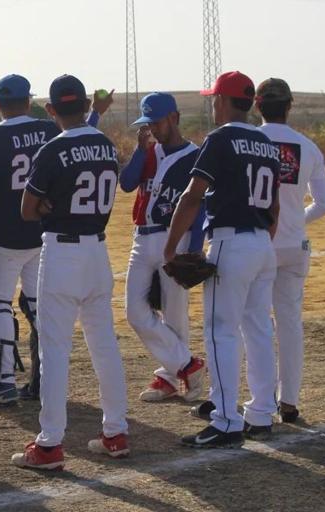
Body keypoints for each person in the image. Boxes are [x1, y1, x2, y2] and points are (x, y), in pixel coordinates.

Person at [0, 74, 113, 407]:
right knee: (37, 307)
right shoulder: (49, 130)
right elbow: (79, 138)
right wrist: (98, 114)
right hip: (44, 233)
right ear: (30, 101)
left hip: (6, 235)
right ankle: (41, 380)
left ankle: (3, 384)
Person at [10, 75, 129, 470]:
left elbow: (28, 209)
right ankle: (115, 432)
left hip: (62, 252)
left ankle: (50, 444)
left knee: (55, 348)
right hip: (97, 250)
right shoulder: (106, 144)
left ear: (51, 109)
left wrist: (49, 207)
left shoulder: (53, 148)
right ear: (83, 104)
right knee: (104, 343)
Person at [165, 71, 281, 448]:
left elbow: (193, 195)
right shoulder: (266, 142)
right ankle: (261, 412)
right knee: (259, 330)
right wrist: (263, 242)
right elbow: (275, 204)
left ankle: (227, 419)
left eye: (215, 97)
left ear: (224, 101)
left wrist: (171, 248)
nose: (212, 103)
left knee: (221, 332)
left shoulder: (221, 138)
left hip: (232, 241)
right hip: (263, 241)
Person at [120, 92, 207, 403]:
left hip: (175, 237)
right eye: (147, 124)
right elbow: (127, 183)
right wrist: (139, 150)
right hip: (142, 238)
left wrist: (194, 248)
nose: (152, 129)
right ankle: (187, 365)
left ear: (175, 118)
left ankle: (171, 377)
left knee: (174, 313)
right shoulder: (149, 152)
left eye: (155, 122)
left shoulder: (195, 156)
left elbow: (200, 206)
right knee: (134, 310)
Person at [255, 78, 325, 423]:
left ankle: (260, 399)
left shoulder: (250, 142)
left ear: (257, 105)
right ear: (290, 105)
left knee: (254, 323)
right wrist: (296, 221)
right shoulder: (308, 147)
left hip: (257, 243)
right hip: (294, 245)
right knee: (289, 324)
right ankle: (289, 401)